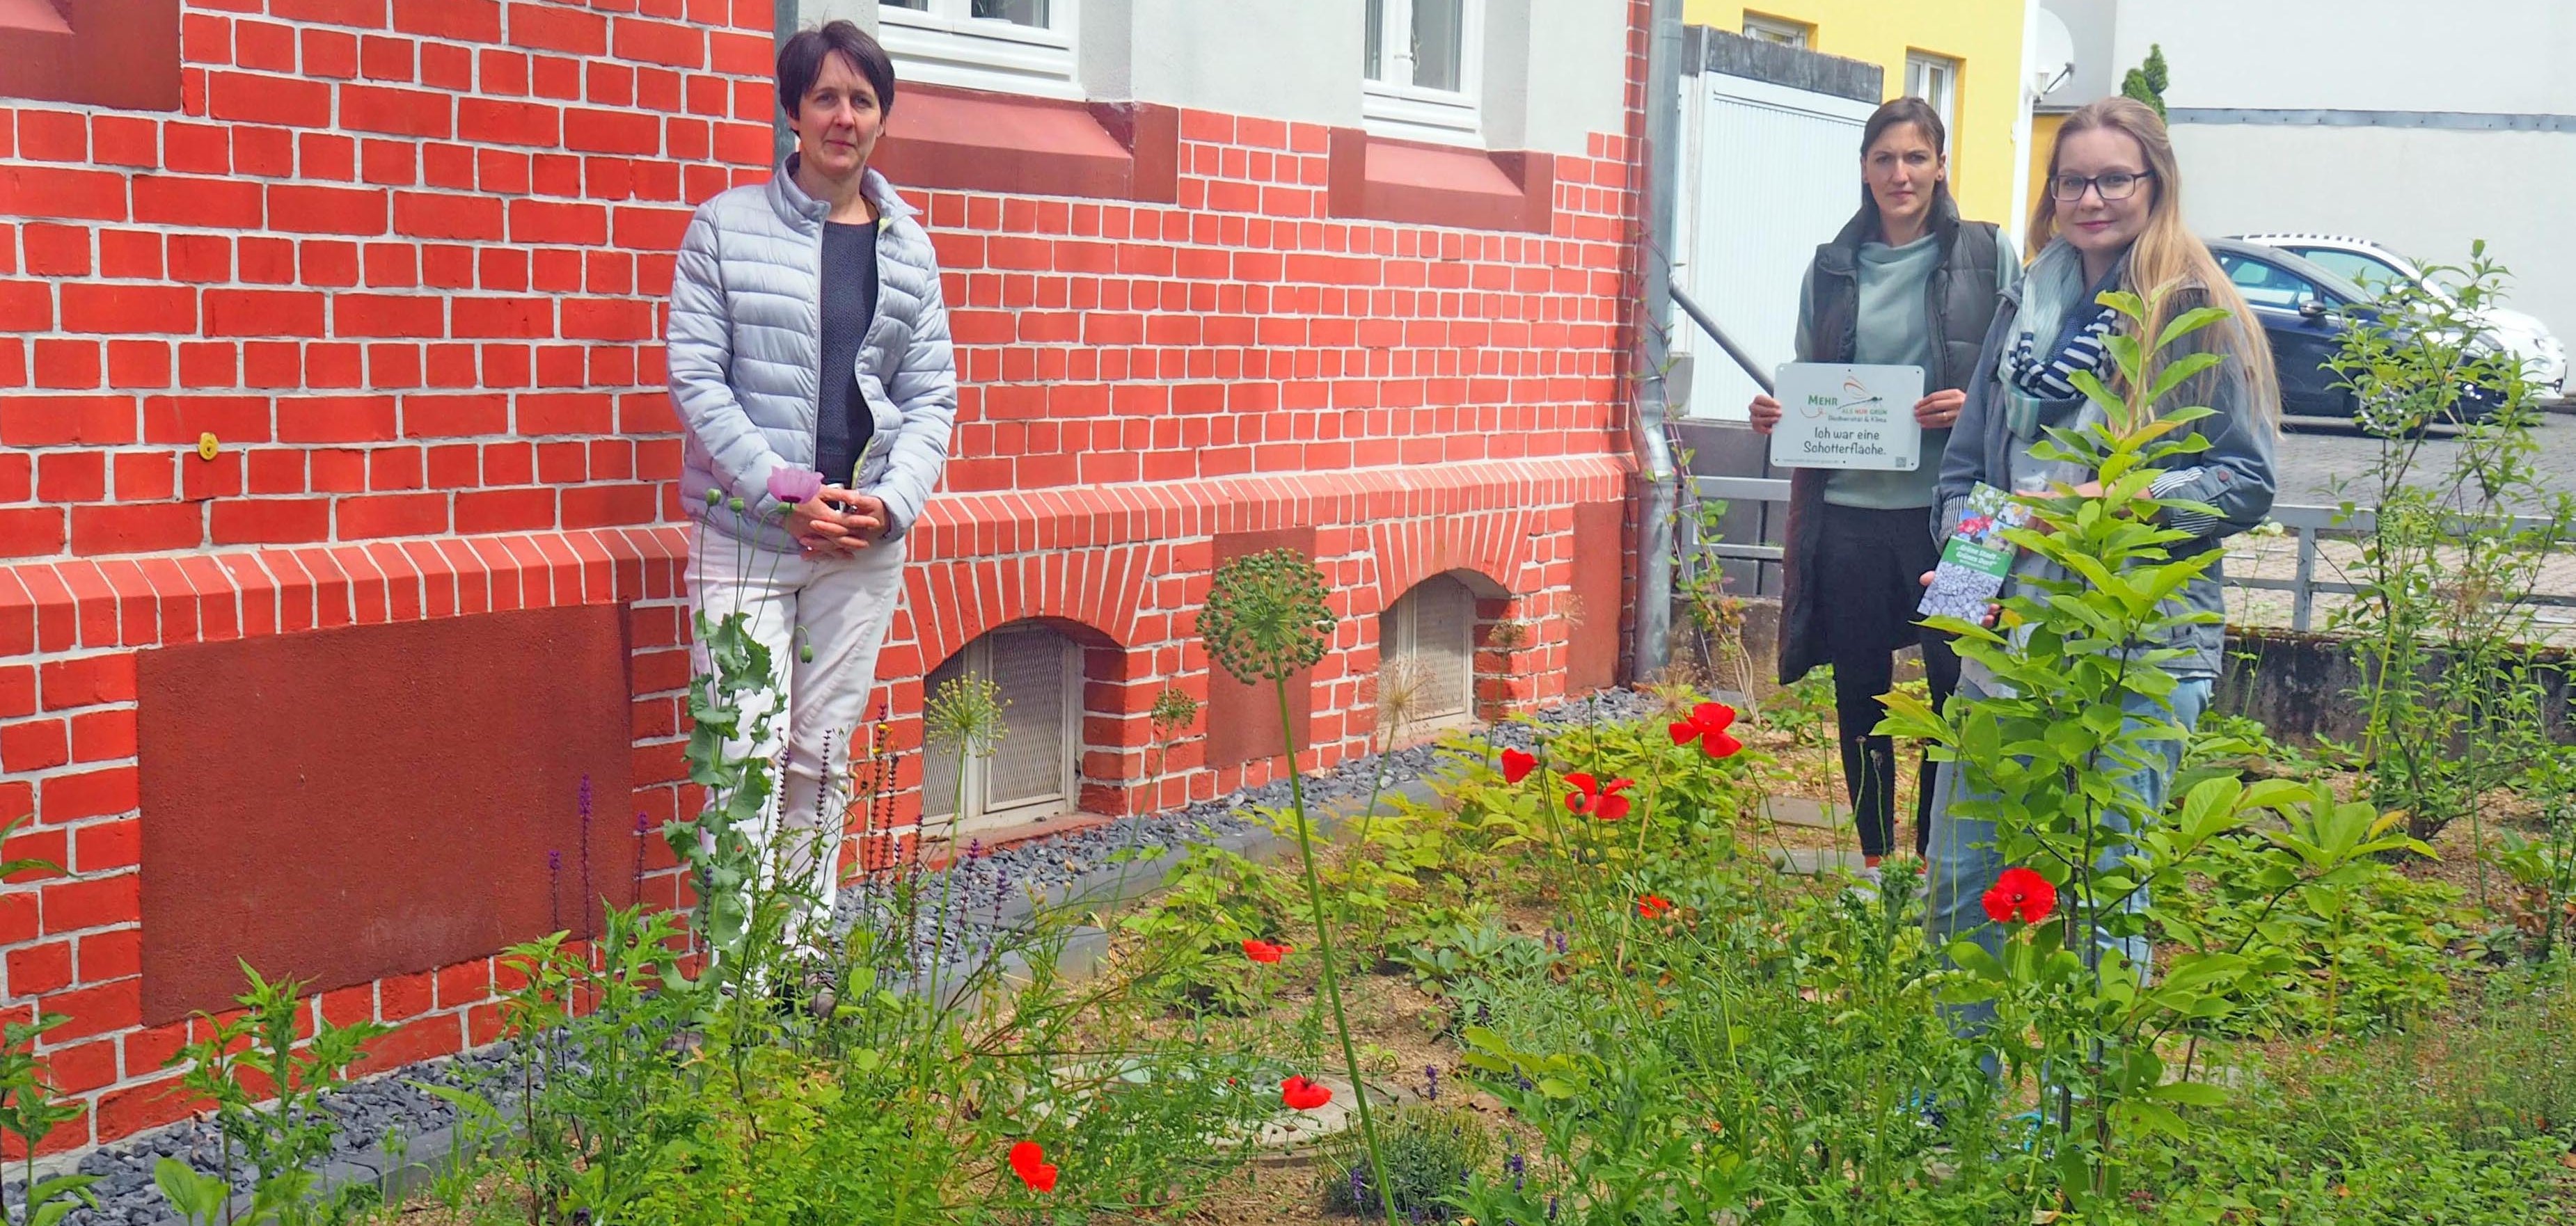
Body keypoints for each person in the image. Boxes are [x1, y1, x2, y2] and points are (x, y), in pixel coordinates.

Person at [1921, 97, 2279, 997]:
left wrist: (2105, 507)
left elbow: (2243, 479)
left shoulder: (2193, 310)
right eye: (2072, 179)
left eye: (2114, 178)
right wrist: (1967, 584)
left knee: (2098, 892)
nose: (2091, 198)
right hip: (2008, 647)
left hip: (2136, 652)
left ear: (2155, 185)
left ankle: (2073, 1122)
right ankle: (1953, 1109)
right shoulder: (2025, 301)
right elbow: (1967, 473)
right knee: (1963, 885)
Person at [665, 20, 956, 928]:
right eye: (825, 97)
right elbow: (696, 378)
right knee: (744, 751)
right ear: (794, 111)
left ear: (882, 119)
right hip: (748, 539)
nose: (843, 116)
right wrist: (786, 493)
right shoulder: (723, 227)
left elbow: (932, 395)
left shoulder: (909, 248)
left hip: (861, 543)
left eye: (861, 100)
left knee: (822, 757)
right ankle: (735, 995)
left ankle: (789, 967)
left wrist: (891, 504)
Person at [1748, 97, 2018, 880]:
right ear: (1863, 170)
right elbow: (1813, 383)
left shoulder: (1988, 252)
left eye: (1914, 157)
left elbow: (2018, 375)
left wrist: (1976, 406)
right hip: (1849, 518)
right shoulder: (1830, 267)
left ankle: (1939, 865)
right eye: (1882, 159)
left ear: (1940, 166)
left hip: (1967, 523)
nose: (1898, 174)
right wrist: (1778, 410)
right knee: (1859, 693)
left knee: (1956, 690)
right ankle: (1873, 865)